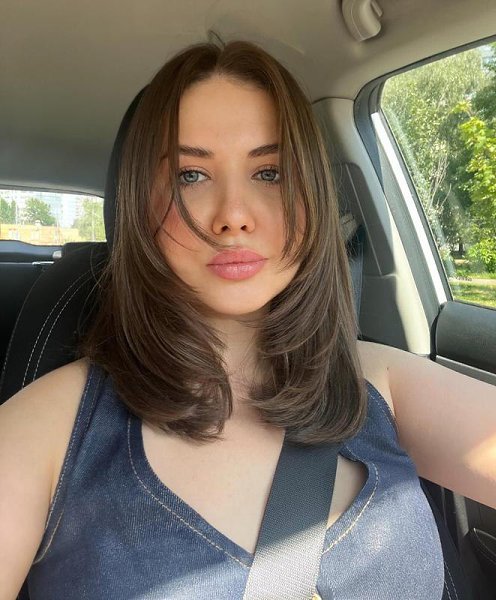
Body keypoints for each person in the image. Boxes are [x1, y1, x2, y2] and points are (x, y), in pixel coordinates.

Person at [0, 40, 495, 600]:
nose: (233, 215)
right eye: (191, 175)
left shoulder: (381, 381)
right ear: (138, 204)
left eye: (270, 172)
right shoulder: (45, 430)